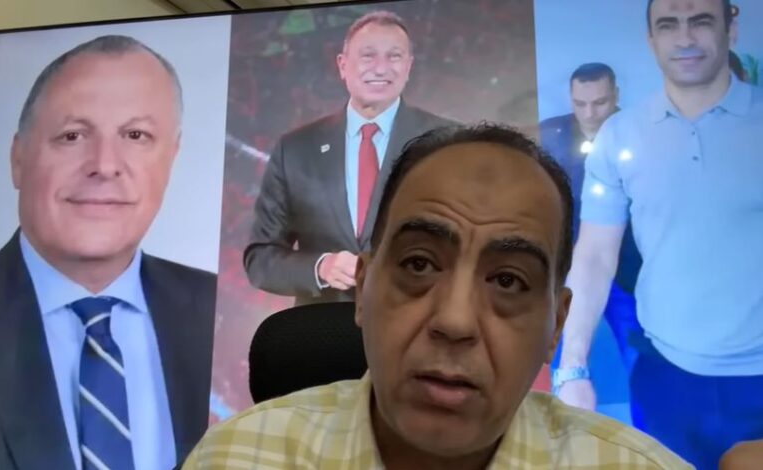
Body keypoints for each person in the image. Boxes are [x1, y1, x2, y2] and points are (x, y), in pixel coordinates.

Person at [182, 123, 691, 469]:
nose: (455, 320)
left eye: (508, 281)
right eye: (418, 265)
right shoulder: (238, 457)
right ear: (362, 288)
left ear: (555, 325)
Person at [0, 35, 216, 470]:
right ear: (18, 158)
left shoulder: (223, 312)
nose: (105, 165)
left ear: (172, 157)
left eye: (136, 135)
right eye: (72, 136)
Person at [556, 0, 763, 468]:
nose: (684, 38)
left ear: (730, 30)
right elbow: (594, 256)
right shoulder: (618, 136)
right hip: (664, 377)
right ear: (651, 40)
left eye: (701, 22)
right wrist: (572, 367)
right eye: (668, 25)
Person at [244, 10, 452, 306]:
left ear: (408, 67)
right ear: (343, 65)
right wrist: (321, 268)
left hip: (416, 323)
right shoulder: (296, 150)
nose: (381, 68)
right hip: (324, 328)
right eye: (368, 56)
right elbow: (261, 259)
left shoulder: (448, 142)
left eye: (394, 57)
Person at [539, 63, 643, 385]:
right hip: (569, 270)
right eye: (580, 103)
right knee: (562, 360)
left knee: (640, 360)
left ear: (616, 95)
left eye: (599, 102)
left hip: (631, 271)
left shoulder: (642, 134)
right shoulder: (547, 136)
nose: (590, 113)